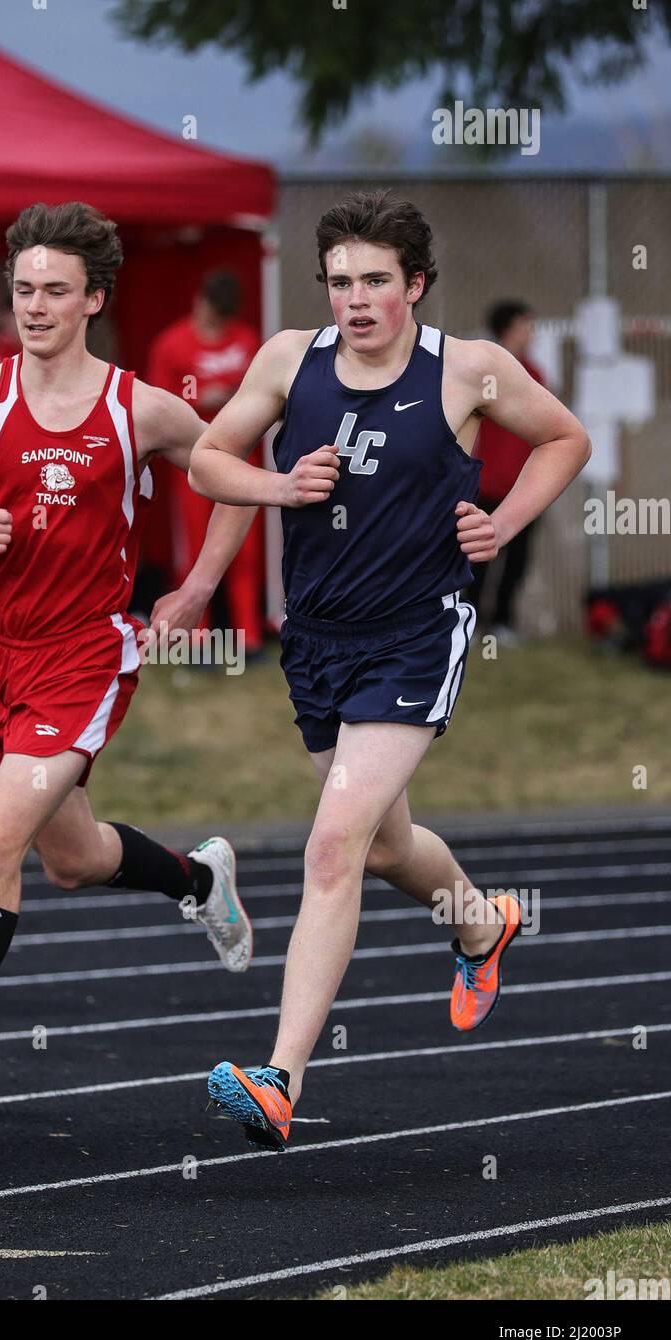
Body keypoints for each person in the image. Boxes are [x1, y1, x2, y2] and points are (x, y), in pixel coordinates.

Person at [187, 190, 591, 1151]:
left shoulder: (470, 371)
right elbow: (208, 460)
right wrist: (279, 484)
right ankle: (481, 924)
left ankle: (279, 1078)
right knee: (381, 843)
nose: (356, 300)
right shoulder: (289, 360)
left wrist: (502, 522)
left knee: (332, 847)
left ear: (414, 285)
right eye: (339, 282)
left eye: (376, 281)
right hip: (318, 637)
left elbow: (565, 438)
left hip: (417, 633)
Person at [0, 201, 259, 1124]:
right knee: (72, 860)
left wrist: (194, 589)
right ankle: (200, 880)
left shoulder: (139, 406)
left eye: (56, 292)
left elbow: (232, 472)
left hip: (85, 656)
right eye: (24, 289)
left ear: (93, 300)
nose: (35, 307)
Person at [148, 269, 265, 654]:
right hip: (194, 461)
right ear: (199, 302)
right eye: (209, 313)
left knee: (244, 550)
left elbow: (265, 391)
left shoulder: (246, 341)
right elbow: (158, 403)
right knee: (196, 550)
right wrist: (201, 398)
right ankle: (197, 639)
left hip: (241, 458)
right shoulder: (173, 344)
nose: (213, 322)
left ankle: (248, 638)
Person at [465, 301, 547, 644]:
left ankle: (502, 621)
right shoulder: (484, 369)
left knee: (517, 558)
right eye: (525, 325)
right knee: (476, 557)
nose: (531, 333)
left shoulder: (534, 372)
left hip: (524, 485)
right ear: (508, 329)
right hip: (484, 482)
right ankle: (468, 620)